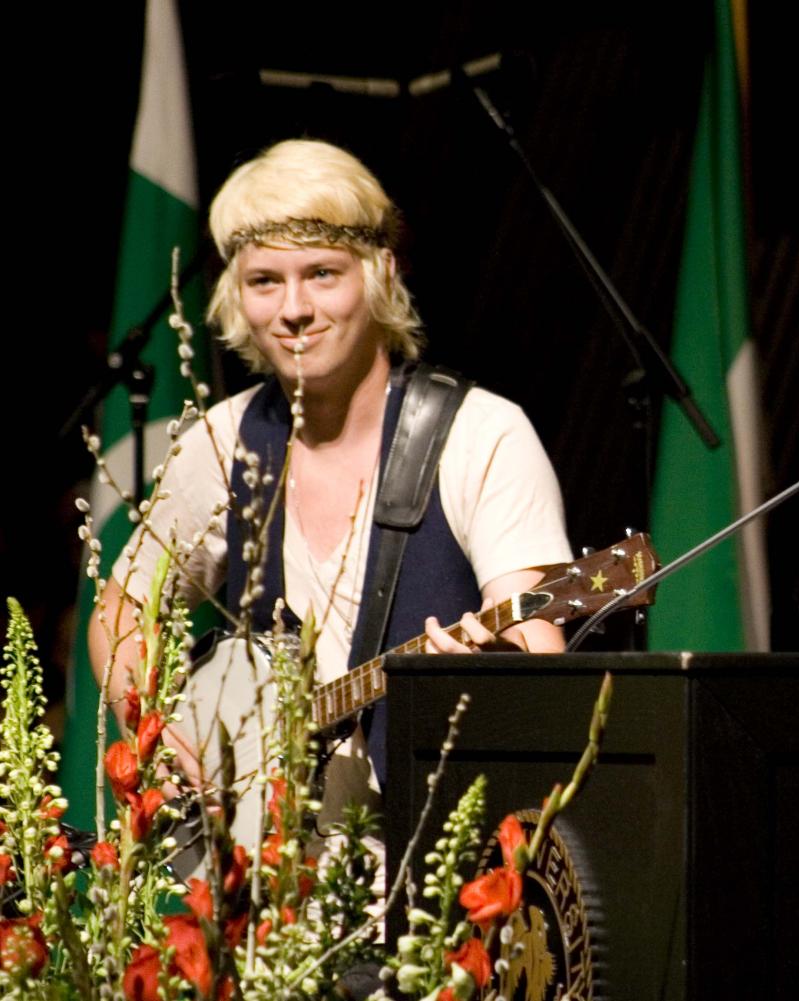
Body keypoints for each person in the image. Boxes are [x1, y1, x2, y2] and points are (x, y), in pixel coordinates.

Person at [88, 139, 572, 872]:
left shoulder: (482, 435)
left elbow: (535, 639)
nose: (294, 310)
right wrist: (157, 734)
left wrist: (490, 668)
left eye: (321, 274)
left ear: (379, 274)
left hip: (441, 872)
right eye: (264, 281)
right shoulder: (222, 442)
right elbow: (121, 611)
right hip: (264, 881)